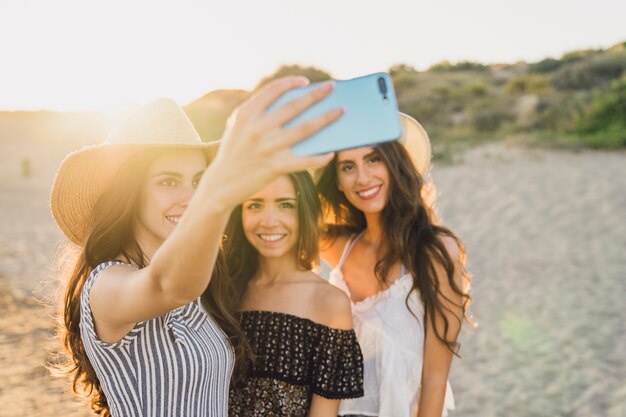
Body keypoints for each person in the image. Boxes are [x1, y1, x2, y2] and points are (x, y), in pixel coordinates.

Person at [50, 76, 342, 417]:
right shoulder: (106, 285)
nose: (190, 198)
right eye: (168, 181)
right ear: (127, 193)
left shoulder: (204, 288)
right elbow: (167, 285)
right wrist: (219, 190)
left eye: (198, 181)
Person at [316, 113, 473, 417]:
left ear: (395, 163)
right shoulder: (337, 246)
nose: (362, 178)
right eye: (348, 167)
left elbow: (435, 377)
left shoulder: (435, 253)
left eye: (373, 159)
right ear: (337, 179)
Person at [224, 172, 364, 417]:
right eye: (254, 205)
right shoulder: (220, 291)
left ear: (305, 212)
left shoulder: (329, 304)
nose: (268, 221)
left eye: (285, 205)